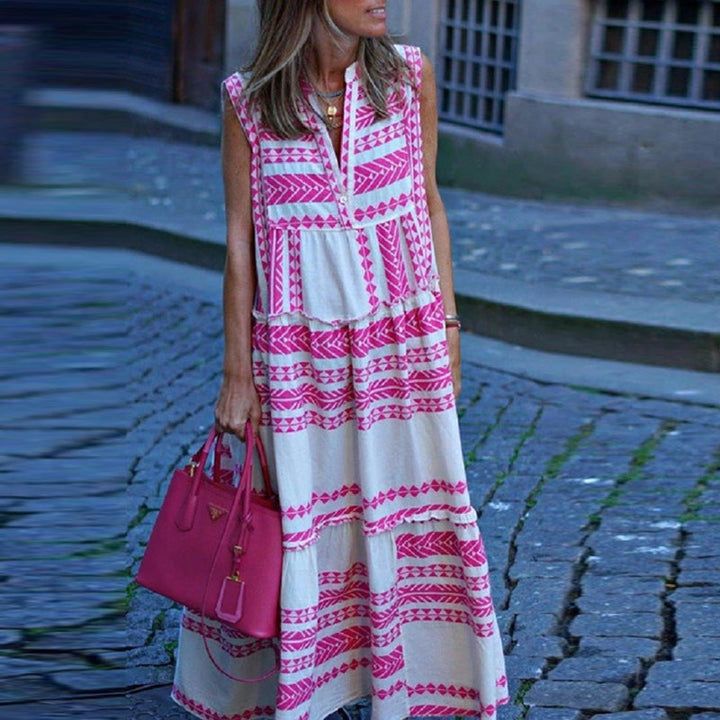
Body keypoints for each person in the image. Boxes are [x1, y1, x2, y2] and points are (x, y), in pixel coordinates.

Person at [171, 1, 508, 719]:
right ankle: (302, 692)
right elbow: (240, 243)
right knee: (302, 525)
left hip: (400, 344)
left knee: (406, 511)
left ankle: (409, 690)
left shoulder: (410, 79)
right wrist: (238, 375)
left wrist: (449, 323)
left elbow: (430, 204)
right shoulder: (249, 102)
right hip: (299, 356)